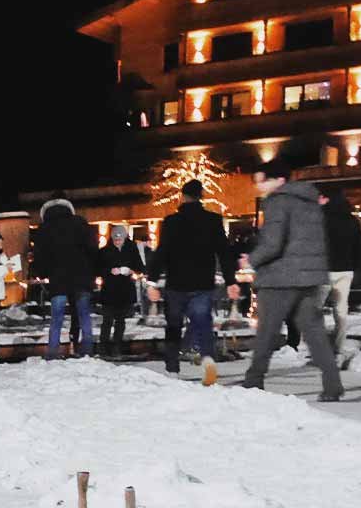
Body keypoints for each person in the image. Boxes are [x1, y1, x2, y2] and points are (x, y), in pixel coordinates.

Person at [238, 159, 343, 401]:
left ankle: (253, 381)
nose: (259, 186)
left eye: (262, 180)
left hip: (280, 278)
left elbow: (273, 243)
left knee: (266, 331)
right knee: (315, 332)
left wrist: (250, 260)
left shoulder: (277, 201)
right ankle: (332, 383)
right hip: (309, 278)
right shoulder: (311, 202)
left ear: (278, 180)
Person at [152, 178, 229, 373]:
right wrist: (231, 279)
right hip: (202, 282)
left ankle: (172, 367)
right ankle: (208, 361)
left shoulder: (171, 222)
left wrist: (152, 280)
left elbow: (162, 251)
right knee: (203, 322)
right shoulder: (213, 220)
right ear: (201, 196)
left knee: (174, 325)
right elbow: (224, 251)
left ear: (183, 196)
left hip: (176, 282)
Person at [31, 198, 96, 359]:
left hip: (58, 279)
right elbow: (92, 250)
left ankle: (53, 351)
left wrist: (41, 273)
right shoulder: (81, 224)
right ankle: (87, 349)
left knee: (57, 317)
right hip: (82, 278)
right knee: (84, 315)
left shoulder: (45, 228)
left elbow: (40, 256)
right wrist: (93, 273)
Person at [318, 186, 361, 359]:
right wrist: (358, 267)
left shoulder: (320, 219)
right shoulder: (352, 221)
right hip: (345, 271)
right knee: (340, 311)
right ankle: (338, 349)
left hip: (323, 270)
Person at [94, 224, 143, 357]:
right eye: (115, 240)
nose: (117, 242)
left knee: (121, 320)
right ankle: (103, 347)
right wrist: (109, 271)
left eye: (120, 239)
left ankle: (117, 346)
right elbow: (97, 269)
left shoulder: (131, 249)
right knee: (107, 320)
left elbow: (139, 267)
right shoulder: (104, 251)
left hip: (125, 289)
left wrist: (130, 270)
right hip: (109, 289)